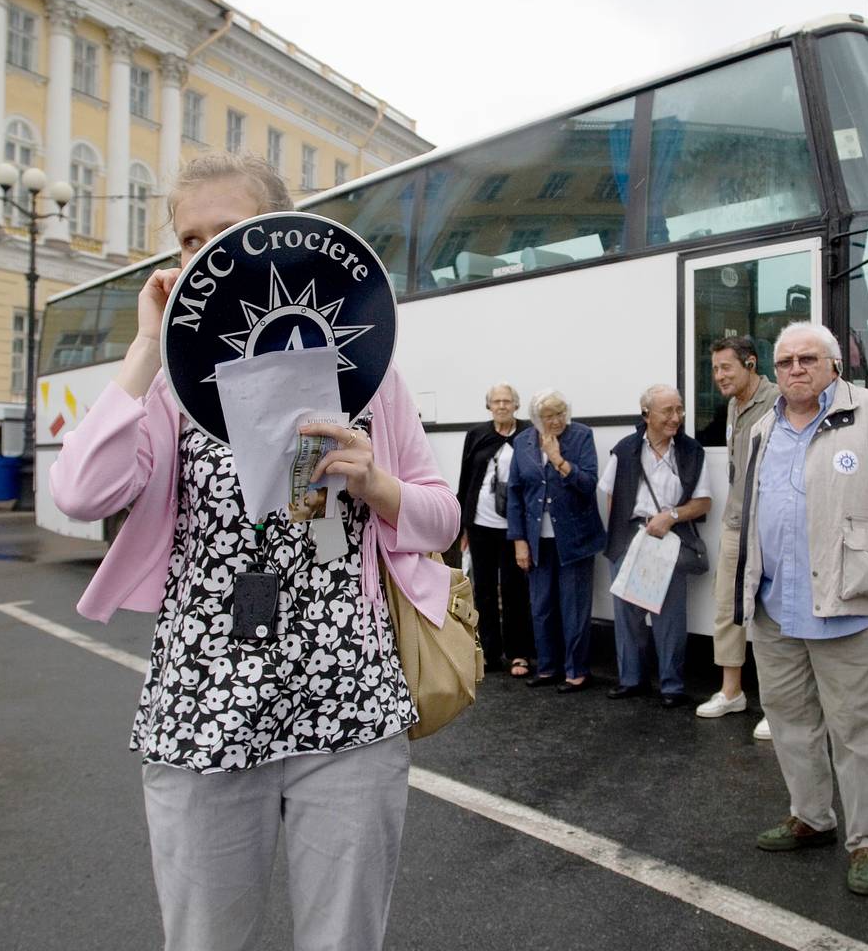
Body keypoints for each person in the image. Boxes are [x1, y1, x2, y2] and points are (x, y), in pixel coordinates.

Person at [49, 152, 460, 951]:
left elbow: (441, 520)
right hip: (201, 707)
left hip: (347, 702)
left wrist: (377, 485)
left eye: (227, 232)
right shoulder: (169, 383)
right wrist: (142, 352)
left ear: (280, 235)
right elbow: (80, 493)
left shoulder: (370, 373)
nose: (203, 254)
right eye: (187, 240)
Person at [735, 322, 868, 897]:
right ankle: (812, 817)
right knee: (791, 722)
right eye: (786, 360)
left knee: (859, 730)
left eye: (808, 358)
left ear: (833, 364)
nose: (796, 368)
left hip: (845, 601)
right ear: (774, 370)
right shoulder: (763, 429)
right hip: (775, 604)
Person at [599, 384, 712, 707]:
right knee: (627, 614)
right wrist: (620, 535)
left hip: (669, 538)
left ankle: (671, 686)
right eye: (668, 411)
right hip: (630, 536)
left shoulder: (690, 451)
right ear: (647, 414)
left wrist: (672, 515)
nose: (676, 417)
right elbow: (611, 494)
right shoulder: (625, 449)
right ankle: (631, 680)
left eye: (679, 410)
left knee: (670, 617)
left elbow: (703, 502)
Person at [693, 336, 778, 738]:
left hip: (769, 525)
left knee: (770, 615)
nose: (719, 376)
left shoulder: (777, 401)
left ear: (750, 363)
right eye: (715, 369)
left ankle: (778, 706)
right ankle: (732, 692)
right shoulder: (732, 406)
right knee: (727, 607)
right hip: (735, 522)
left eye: (726, 367)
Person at [506, 388, 605, 692]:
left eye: (561, 413)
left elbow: (588, 484)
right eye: (549, 416)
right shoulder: (522, 441)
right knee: (541, 606)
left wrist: (559, 461)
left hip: (575, 538)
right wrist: (519, 540)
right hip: (538, 540)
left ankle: (576, 671)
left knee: (574, 608)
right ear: (536, 419)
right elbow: (515, 493)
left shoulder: (581, 436)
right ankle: (547, 667)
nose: (557, 421)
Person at [457, 383, 532, 676]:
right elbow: (466, 479)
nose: (502, 406)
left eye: (507, 401)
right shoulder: (477, 435)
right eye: (496, 402)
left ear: (516, 404)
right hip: (480, 524)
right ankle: (488, 651)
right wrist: (462, 524)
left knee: (515, 590)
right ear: (489, 406)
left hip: (513, 527)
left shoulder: (528, 434)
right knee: (484, 590)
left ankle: (519, 653)